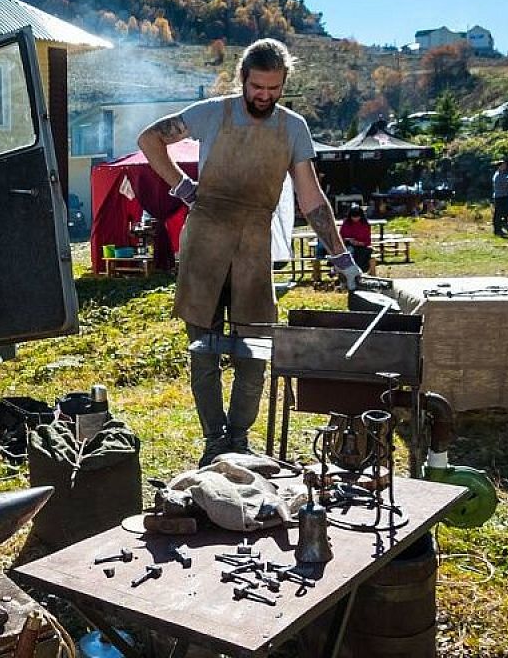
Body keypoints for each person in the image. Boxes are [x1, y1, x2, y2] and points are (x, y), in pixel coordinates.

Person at [137, 38, 359, 466]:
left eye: (274, 88)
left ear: (284, 84)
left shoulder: (293, 127)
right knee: (202, 350)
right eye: (258, 86)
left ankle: (238, 440)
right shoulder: (212, 112)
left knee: (255, 353)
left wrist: (342, 257)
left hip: (254, 247)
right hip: (204, 242)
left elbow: (312, 199)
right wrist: (182, 186)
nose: (265, 95)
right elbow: (150, 139)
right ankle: (213, 440)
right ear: (243, 79)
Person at [339, 204, 377, 274]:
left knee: (365, 253)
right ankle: (348, 271)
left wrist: (359, 243)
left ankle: (359, 271)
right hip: (348, 245)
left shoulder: (365, 224)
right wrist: (349, 240)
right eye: (353, 217)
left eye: (357, 217)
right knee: (349, 251)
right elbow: (341, 237)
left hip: (362, 246)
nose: (355, 219)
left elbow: (368, 241)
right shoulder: (346, 223)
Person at [491, 160, 508, 235]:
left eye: (505, 165)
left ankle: (499, 229)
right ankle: (497, 230)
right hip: (499, 196)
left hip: (503, 195)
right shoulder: (497, 175)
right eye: (503, 165)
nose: (505, 166)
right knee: (498, 214)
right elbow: (501, 185)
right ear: (499, 166)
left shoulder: (502, 174)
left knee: (501, 213)